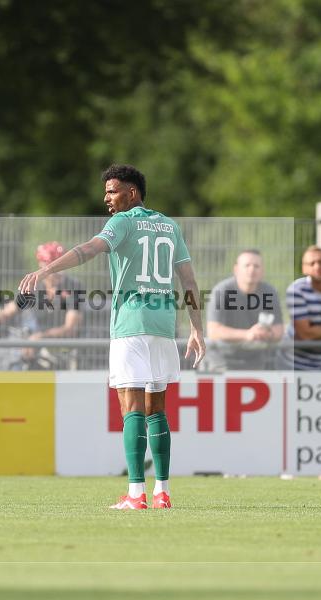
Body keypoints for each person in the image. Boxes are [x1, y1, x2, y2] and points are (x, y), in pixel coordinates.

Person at [19, 164, 205, 510]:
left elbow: (90, 248)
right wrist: (197, 328)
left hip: (131, 323)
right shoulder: (169, 224)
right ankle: (162, 492)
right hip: (165, 324)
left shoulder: (122, 222)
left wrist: (47, 268)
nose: (107, 198)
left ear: (132, 193)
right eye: (106, 192)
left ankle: (136, 494)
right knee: (157, 408)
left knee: (131, 407)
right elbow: (190, 281)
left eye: (113, 191)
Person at [0, 241, 84, 369]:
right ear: (42, 265)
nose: (59, 272)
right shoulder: (34, 287)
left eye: (62, 266)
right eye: (54, 265)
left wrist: (41, 338)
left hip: (62, 347)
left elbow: (70, 329)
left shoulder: (73, 286)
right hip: (33, 343)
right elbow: (9, 311)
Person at [206, 249, 284, 370]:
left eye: (256, 266)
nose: (252, 269)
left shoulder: (270, 292)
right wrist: (248, 334)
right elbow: (213, 331)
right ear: (236, 269)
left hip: (256, 360)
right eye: (247, 265)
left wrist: (266, 333)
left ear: (262, 271)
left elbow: (279, 330)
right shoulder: (222, 291)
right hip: (221, 360)